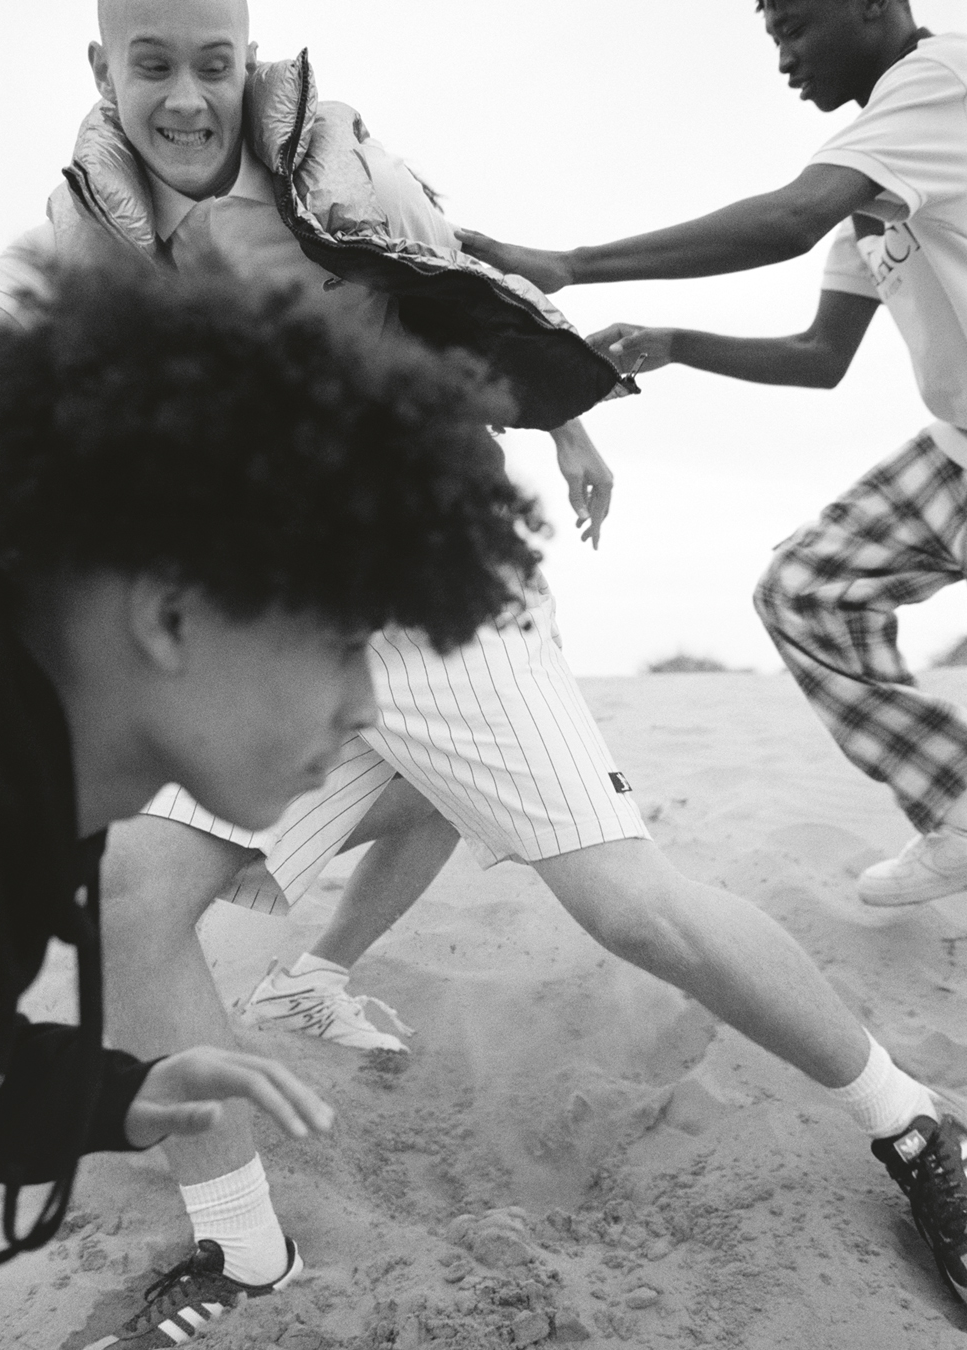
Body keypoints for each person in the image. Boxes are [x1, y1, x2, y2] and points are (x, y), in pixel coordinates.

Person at [0, 0, 964, 1337]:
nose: (187, 99)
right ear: (104, 70)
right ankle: (245, 1250)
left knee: (629, 906)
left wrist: (568, 428)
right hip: (289, 626)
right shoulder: (89, 209)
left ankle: (909, 1127)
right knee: (135, 893)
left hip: (437, 598)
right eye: (153, 67)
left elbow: (476, 292)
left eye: (212, 63)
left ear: (246, 58)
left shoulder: (331, 156)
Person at [456, 0, 967, 1303]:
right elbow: (815, 354)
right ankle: (956, 802)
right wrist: (676, 347)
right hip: (957, 459)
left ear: (874, 5)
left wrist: (568, 261)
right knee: (805, 587)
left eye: (792, 21)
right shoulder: (876, 173)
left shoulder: (941, 79)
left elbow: (778, 216)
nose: (780, 52)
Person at [0, 251, 541, 1309]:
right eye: (341, 642)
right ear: (173, 613)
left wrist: (112, 1102)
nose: (366, 705)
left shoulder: (33, 754)